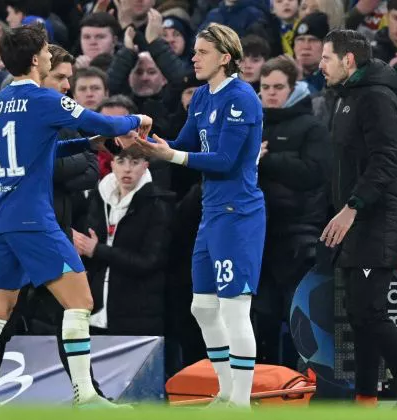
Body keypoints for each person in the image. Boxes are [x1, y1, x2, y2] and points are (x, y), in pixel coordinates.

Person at [0, 23, 152, 408]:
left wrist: (87, 144)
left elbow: (39, 153)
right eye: (48, 52)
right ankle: (86, 396)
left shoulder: (0, 100)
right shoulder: (43, 99)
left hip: (0, 217)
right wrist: (136, 121)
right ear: (36, 60)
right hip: (34, 219)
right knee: (80, 302)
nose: (52, 56)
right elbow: (108, 122)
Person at [135, 23, 265, 408]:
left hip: (238, 213)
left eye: (202, 52)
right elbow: (182, 145)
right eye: (194, 52)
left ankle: (240, 402)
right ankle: (225, 392)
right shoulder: (204, 97)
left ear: (225, 57)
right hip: (212, 213)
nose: (193, 58)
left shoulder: (242, 98)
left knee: (235, 306)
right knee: (203, 306)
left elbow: (224, 160)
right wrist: (148, 143)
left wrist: (170, 155)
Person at [318, 29, 397, 407]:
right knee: (358, 314)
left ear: (348, 60)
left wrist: (352, 208)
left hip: (376, 219)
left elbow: (385, 161)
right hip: (358, 219)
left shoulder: (377, 98)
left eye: (326, 58)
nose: (319, 66)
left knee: (370, 312)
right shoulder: (348, 97)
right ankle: (366, 398)